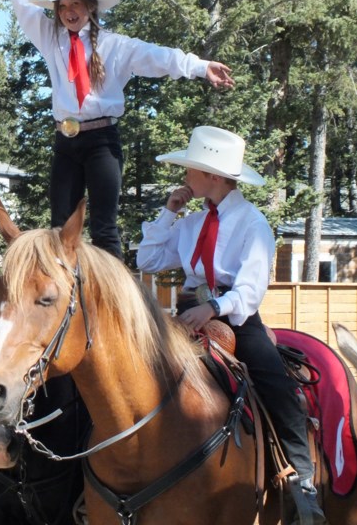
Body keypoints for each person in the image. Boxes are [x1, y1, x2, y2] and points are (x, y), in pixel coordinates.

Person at [0, 0, 235, 259]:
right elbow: (23, 3)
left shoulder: (115, 46)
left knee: (104, 227)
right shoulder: (49, 37)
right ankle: (65, 300)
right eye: (63, 5)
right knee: (59, 227)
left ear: (91, 7)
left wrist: (200, 66)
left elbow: (159, 57)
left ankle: (114, 301)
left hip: (101, 141)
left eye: (76, 4)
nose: (70, 11)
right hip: (65, 142)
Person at [135, 126, 326, 524]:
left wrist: (213, 308)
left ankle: (301, 483)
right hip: (185, 316)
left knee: (275, 380)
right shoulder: (189, 224)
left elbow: (251, 291)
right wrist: (168, 211)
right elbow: (148, 261)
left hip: (235, 319)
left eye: (192, 169)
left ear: (214, 178)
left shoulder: (254, 224)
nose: (186, 176)